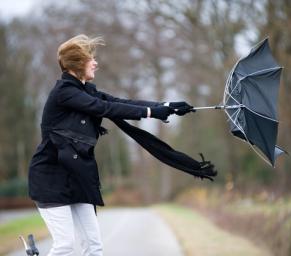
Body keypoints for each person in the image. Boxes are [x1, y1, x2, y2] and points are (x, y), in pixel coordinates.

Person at [27, 34, 194, 256]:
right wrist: (151, 112)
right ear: (77, 63)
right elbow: (103, 109)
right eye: (90, 59)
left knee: (94, 246)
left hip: (78, 177)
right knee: (65, 246)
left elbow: (119, 103)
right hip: (51, 178)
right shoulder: (64, 93)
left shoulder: (86, 90)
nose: (95, 63)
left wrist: (166, 105)